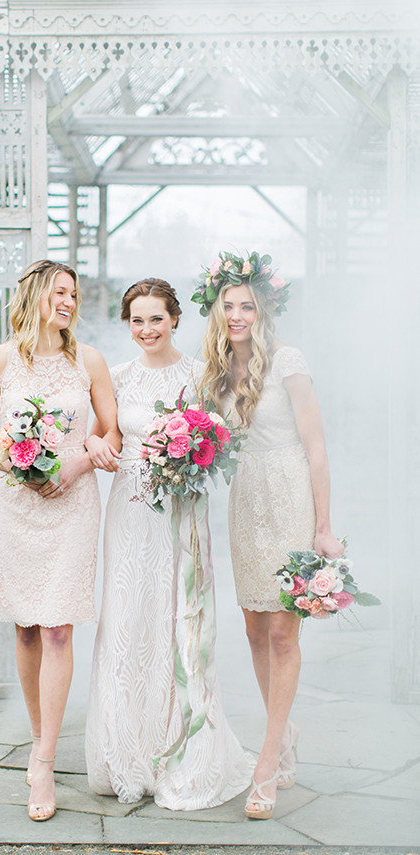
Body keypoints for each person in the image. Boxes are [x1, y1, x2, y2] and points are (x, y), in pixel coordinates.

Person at [84, 278, 253, 810]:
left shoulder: (199, 374)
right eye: (136, 320)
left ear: (175, 319)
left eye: (156, 318)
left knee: (177, 619)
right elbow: (107, 433)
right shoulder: (116, 375)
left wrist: (195, 451)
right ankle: (127, 754)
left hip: (180, 515)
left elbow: (220, 437)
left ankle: (182, 750)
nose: (146, 329)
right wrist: (94, 443)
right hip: (129, 512)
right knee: (128, 621)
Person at [0, 259, 120, 822]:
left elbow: (112, 428)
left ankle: (46, 759)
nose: (69, 302)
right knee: (27, 626)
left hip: (72, 503)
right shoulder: (0, 361)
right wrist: (8, 460)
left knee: (58, 626)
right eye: (60, 292)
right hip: (15, 504)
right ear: (34, 296)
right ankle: (37, 737)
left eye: (74, 294)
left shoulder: (90, 361)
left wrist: (77, 465)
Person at [197, 251, 344, 819]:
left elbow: (317, 447)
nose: (238, 315)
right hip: (245, 500)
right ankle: (284, 737)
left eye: (247, 306)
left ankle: (266, 757)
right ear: (217, 311)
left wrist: (324, 525)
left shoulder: (289, 360)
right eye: (229, 305)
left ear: (263, 310)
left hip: (289, 498)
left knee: (285, 632)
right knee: (256, 629)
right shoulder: (214, 372)